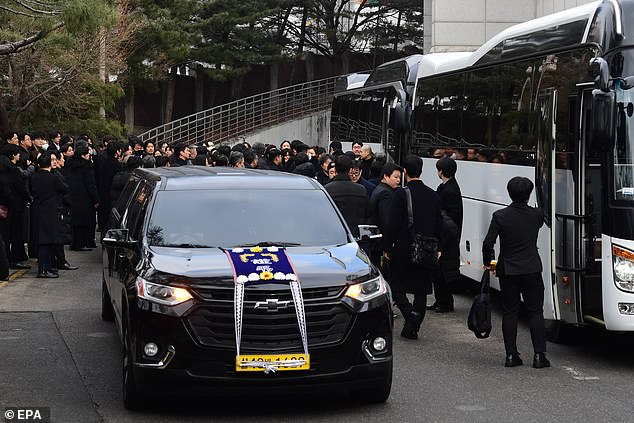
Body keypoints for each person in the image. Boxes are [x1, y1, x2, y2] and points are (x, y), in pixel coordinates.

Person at [482, 176, 549, 369]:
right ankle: (539, 356)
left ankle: (511, 355)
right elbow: (541, 217)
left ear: (509, 193)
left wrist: (489, 262)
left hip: (508, 269)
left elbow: (488, 242)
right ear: (529, 195)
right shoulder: (537, 215)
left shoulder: (500, 216)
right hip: (531, 268)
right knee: (535, 311)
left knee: (510, 312)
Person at [383, 155, 443, 340]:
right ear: (422, 171)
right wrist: (439, 246)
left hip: (404, 246)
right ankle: (412, 328)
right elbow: (439, 223)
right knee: (421, 289)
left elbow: (392, 223)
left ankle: (410, 314)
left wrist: (387, 246)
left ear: (405, 172)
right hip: (427, 248)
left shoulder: (401, 194)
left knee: (395, 284)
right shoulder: (433, 195)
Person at [428, 156, 463, 313]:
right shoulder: (447, 187)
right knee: (439, 271)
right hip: (444, 234)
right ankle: (440, 300)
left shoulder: (450, 190)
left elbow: (452, 217)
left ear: (440, 171)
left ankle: (445, 302)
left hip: (447, 236)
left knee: (443, 272)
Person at [30, 154, 69, 278]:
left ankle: (46, 268)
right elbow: (65, 189)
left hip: (38, 211)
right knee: (47, 242)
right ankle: (44, 270)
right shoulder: (53, 178)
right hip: (51, 212)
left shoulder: (34, 177)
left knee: (42, 241)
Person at [324, 155, 368, 238]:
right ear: (350, 169)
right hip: (355, 235)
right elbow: (368, 212)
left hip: (333, 235)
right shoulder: (361, 190)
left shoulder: (327, 189)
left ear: (336, 169)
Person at [368, 162, 402, 266]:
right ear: (386, 176)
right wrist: (388, 244)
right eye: (395, 177)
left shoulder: (380, 189)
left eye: (399, 177)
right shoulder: (386, 194)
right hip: (381, 243)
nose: (398, 180)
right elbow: (386, 221)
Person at [67, 145, 100, 251]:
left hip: (73, 195)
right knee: (84, 221)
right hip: (85, 197)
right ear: (83, 155)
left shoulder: (70, 164)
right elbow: (91, 184)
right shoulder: (87, 166)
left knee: (75, 221)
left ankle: (74, 243)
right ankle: (81, 243)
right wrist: (96, 199)